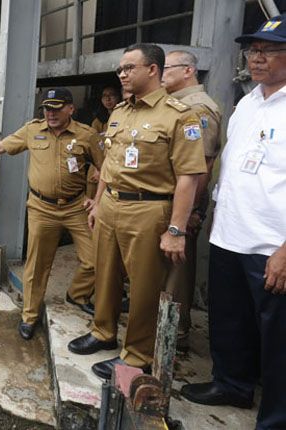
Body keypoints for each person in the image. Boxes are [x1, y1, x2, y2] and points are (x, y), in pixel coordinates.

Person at [67, 43, 206, 380]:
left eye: (129, 68)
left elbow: (189, 177)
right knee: (106, 273)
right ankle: (103, 331)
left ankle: (137, 354)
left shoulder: (179, 115)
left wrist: (176, 229)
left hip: (149, 208)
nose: (122, 75)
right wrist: (98, 202)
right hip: (112, 203)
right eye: (120, 69)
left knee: (144, 286)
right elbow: (110, 165)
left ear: (153, 70)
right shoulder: (121, 112)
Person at [180, 15, 286, 429]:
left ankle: (276, 417)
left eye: (268, 50)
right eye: (252, 50)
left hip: (270, 245)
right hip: (229, 236)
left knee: (277, 340)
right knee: (229, 322)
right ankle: (232, 384)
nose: (256, 58)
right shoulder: (247, 102)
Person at [0, 88, 104, 339]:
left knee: (96, 259)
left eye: (57, 108)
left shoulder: (86, 135)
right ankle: (30, 315)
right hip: (41, 208)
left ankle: (77, 294)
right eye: (47, 108)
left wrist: (97, 201)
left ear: (71, 109)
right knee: (37, 265)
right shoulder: (33, 130)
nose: (51, 113)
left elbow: (107, 166)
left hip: (75, 206)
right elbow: (2, 146)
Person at [160, 49, 222, 350]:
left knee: (176, 272)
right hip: (170, 200)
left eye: (167, 68)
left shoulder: (198, 109)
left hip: (182, 205)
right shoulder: (177, 105)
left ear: (188, 71)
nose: (161, 74)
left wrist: (186, 215)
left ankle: (175, 333)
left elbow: (201, 168)